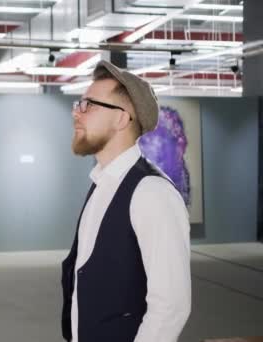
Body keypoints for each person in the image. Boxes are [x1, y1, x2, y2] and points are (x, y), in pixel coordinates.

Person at [61, 61, 192, 342]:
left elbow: (170, 307)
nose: (76, 112)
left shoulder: (151, 194)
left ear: (121, 119)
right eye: (78, 103)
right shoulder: (101, 184)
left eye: (88, 105)